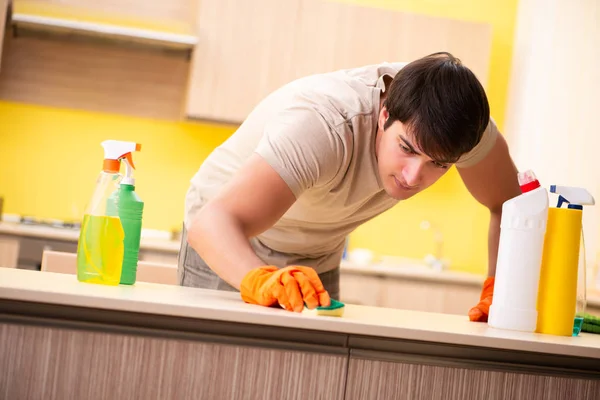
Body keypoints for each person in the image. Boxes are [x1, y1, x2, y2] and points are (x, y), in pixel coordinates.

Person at [178, 52, 521, 321]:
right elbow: (214, 222)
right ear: (385, 115)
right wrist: (260, 280)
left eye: (439, 164)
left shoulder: (463, 128)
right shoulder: (323, 125)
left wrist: (499, 288)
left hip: (315, 258)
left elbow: (511, 207)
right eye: (407, 149)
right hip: (230, 239)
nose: (414, 176)